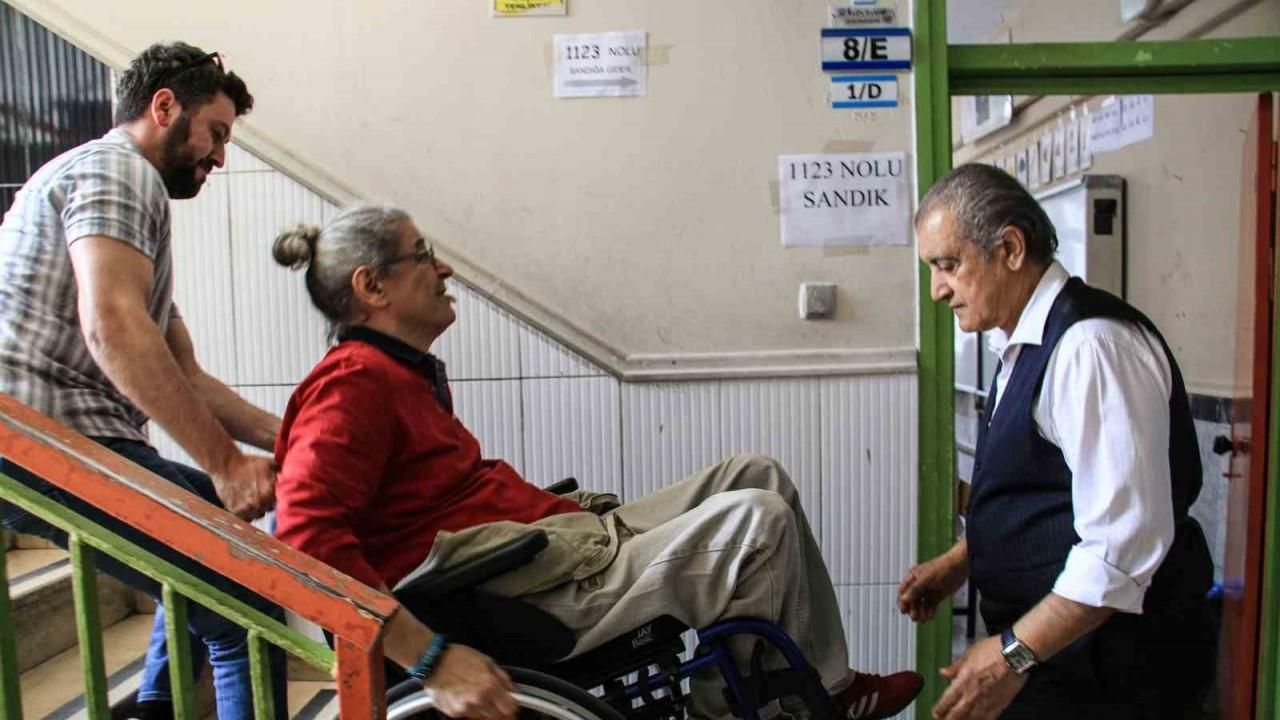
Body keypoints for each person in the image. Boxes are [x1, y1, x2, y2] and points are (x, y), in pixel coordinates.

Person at [268, 204, 925, 720]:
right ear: (372, 285)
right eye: (424, 255)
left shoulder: (395, 373)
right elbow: (304, 539)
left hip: (547, 547)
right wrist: (431, 659)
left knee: (758, 475)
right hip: (519, 597)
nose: (444, 270)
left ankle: (826, 687)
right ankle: (748, 707)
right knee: (756, 522)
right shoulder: (353, 383)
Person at [0, 42, 287, 719]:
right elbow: (113, 325)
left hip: (56, 433)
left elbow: (185, 374)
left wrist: (295, 439)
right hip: (40, 437)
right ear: (164, 107)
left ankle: (154, 706)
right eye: (216, 133)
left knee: (219, 533)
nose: (220, 157)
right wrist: (225, 464)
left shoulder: (113, 190)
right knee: (246, 600)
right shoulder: (118, 169)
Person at [898, 163, 1215, 719]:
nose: (937, 289)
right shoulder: (1023, 343)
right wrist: (963, 560)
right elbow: (1047, 494)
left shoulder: (1090, 347)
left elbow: (1119, 548)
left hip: (1114, 672)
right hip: (1064, 657)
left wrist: (1010, 657)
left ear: (1010, 248)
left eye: (948, 265)